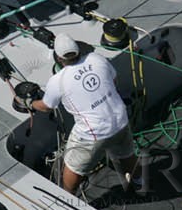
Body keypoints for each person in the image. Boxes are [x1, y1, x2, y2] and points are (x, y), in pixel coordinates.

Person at [30, 33, 137, 193]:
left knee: (73, 167)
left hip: (92, 133)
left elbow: (46, 106)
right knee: (126, 154)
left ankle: (68, 198)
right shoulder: (97, 58)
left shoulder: (57, 81)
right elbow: (112, 80)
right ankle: (139, 181)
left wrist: (29, 103)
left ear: (59, 59)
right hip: (120, 120)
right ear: (79, 51)